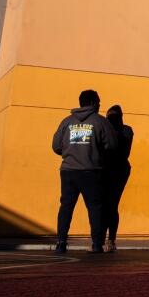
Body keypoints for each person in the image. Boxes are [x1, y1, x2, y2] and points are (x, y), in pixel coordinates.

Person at [51, 89, 117, 253]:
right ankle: (96, 244)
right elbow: (112, 145)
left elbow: (56, 146)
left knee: (66, 206)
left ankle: (61, 242)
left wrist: (71, 153)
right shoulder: (100, 122)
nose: (100, 104)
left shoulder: (66, 122)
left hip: (68, 171)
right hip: (91, 171)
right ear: (94, 103)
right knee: (95, 207)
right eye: (99, 102)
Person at [102, 105, 134, 252]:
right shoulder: (111, 129)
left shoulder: (125, 130)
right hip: (107, 170)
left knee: (111, 204)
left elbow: (121, 152)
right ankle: (103, 238)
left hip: (118, 170)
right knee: (105, 205)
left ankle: (109, 239)